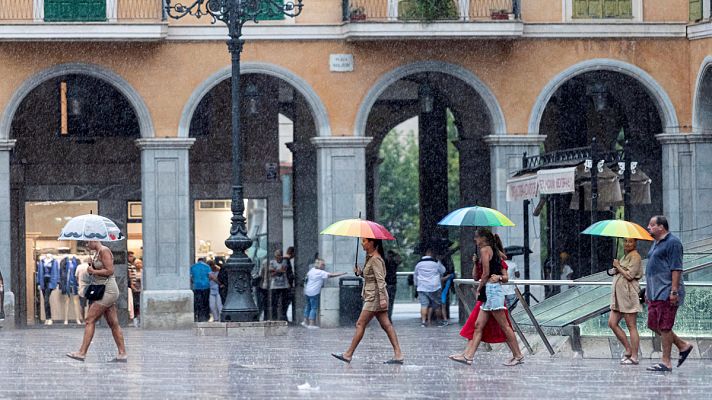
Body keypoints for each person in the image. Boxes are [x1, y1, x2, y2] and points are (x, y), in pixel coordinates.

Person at [449, 228, 524, 367]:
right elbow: (497, 263)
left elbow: (485, 273)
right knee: (478, 325)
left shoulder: (485, 250)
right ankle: (468, 356)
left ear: (483, 238)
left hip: (492, 291)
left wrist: (479, 287)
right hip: (489, 292)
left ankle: (518, 355)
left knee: (505, 326)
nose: (475, 241)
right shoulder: (493, 250)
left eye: (476, 238)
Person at [332, 238, 404, 364]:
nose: (362, 243)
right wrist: (360, 273)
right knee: (386, 325)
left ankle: (348, 354)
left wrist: (382, 298)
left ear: (372, 243)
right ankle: (398, 354)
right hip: (373, 296)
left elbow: (380, 280)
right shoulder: (371, 258)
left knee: (360, 324)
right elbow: (371, 277)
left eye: (365, 241)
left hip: (374, 297)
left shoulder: (375, 259)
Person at [645, 215, 693, 372]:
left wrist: (674, 291)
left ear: (661, 227)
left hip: (667, 291)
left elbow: (676, 268)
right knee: (653, 324)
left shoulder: (673, 243)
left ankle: (666, 362)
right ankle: (682, 345)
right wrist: (648, 290)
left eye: (652, 225)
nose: (648, 227)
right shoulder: (655, 243)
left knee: (665, 326)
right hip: (654, 292)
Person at [66, 241, 126, 362]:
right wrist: (92, 266)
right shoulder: (97, 253)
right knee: (113, 323)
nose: (87, 244)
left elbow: (110, 271)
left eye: (88, 242)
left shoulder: (104, 251)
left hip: (108, 290)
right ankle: (122, 353)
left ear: (94, 240)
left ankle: (82, 353)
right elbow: (100, 271)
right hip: (102, 289)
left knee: (90, 319)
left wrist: (93, 271)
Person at [608, 238, 643, 365]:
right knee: (612, 323)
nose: (627, 244)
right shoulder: (625, 256)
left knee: (631, 325)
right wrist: (615, 269)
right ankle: (628, 349)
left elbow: (629, 275)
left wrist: (618, 266)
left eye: (630, 242)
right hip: (618, 296)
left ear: (635, 243)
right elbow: (620, 271)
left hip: (628, 295)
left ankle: (634, 356)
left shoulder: (636, 257)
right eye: (626, 241)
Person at [302, 258, 345, 328]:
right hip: (314, 292)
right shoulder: (320, 272)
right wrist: (342, 273)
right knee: (314, 308)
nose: (324, 266)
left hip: (307, 291)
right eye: (322, 264)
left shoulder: (311, 270)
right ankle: (311, 324)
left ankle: (305, 321)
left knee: (308, 306)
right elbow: (331, 275)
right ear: (318, 264)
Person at [413, 247, 445, 327]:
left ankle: (423, 322)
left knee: (424, 305)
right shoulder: (435, 264)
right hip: (434, 287)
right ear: (431, 254)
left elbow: (415, 275)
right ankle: (439, 321)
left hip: (422, 287)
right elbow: (443, 271)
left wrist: (416, 285)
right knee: (437, 305)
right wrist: (439, 261)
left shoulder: (418, 264)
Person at [268, 249, 290, 321]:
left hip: (284, 285)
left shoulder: (284, 262)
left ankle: (283, 316)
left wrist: (275, 271)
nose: (278, 257)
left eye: (280, 255)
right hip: (274, 285)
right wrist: (278, 271)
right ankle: (274, 317)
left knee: (284, 302)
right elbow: (271, 273)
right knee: (274, 302)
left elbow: (283, 270)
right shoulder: (272, 262)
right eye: (277, 256)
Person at [190, 257, 211, 322]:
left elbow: (190, 277)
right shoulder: (207, 266)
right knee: (205, 301)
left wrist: (193, 282)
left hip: (196, 286)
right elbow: (210, 276)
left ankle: (198, 315)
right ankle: (205, 316)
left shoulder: (193, 267)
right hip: (205, 286)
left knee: (197, 302)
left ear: (197, 261)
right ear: (204, 261)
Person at [384, 250, 401, 322]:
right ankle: (388, 317)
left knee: (387, 302)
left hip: (387, 284)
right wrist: (396, 254)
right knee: (390, 302)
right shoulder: (393, 263)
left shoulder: (385, 263)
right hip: (392, 284)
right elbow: (399, 260)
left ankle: (387, 317)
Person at [283, 246, 296, 322]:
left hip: (287, 285)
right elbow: (287, 273)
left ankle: (284, 316)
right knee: (286, 301)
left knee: (286, 301)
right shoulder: (286, 260)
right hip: (287, 285)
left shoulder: (285, 260)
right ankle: (284, 317)